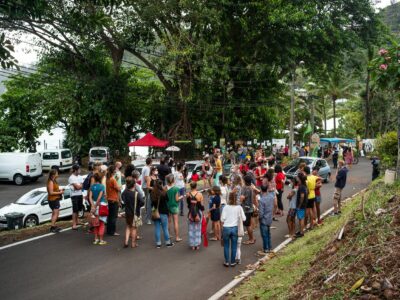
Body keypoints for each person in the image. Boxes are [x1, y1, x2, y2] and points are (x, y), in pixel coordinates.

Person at [221, 192, 246, 267]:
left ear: (229, 198)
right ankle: (233, 262)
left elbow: (222, 219)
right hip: (235, 228)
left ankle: (226, 262)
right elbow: (244, 218)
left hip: (226, 228)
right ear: (237, 198)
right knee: (234, 246)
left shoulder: (225, 207)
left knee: (226, 245)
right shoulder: (239, 207)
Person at [121, 177, 144, 248]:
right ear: (134, 185)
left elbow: (123, 199)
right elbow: (142, 202)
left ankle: (126, 241)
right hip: (135, 213)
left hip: (127, 212)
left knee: (128, 226)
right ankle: (133, 243)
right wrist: (138, 206)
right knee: (134, 228)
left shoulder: (124, 192)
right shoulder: (136, 194)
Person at [151, 179, 174, 248]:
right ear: (161, 184)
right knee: (165, 228)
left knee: (157, 228)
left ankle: (158, 244)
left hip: (156, 212)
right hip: (163, 212)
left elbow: (152, 203)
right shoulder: (164, 192)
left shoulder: (152, 193)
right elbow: (167, 200)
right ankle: (168, 243)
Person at [89, 172, 107, 245]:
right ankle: (101, 240)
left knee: (95, 223)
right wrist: (96, 206)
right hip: (101, 206)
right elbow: (99, 197)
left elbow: (90, 197)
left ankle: (95, 239)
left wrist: (93, 206)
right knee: (102, 223)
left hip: (93, 205)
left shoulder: (92, 187)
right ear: (100, 178)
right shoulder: (102, 186)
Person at [186, 181, 204, 250]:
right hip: (198, 212)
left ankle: (192, 245)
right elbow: (201, 206)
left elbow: (188, 205)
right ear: (196, 186)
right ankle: (197, 244)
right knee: (198, 229)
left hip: (190, 212)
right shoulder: (200, 194)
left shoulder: (188, 194)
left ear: (190, 187)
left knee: (191, 229)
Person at [166, 174, 183, 242]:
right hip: (174, 206)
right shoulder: (176, 188)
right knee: (175, 222)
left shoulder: (165, 187)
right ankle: (177, 237)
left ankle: (168, 235)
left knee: (168, 221)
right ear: (173, 180)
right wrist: (181, 197)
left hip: (167, 206)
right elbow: (176, 199)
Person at [258, 185, 274, 254]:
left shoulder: (261, 200)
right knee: (268, 233)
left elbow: (261, 212)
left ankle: (266, 248)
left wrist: (259, 218)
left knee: (264, 235)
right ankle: (270, 247)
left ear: (261, 190)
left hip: (264, 219)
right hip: (269, 218)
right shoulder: (271, 197)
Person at [106, 165, 121, 236]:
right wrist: (119, 186)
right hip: (114, 199)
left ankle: (109, 230)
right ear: (113, 171)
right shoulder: (113, 179)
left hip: (109, 198)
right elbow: (118, 189)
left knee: (110, 216)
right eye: (115, 170)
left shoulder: (108, 179)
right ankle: (113, 231)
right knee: (114, 216)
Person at [241, 175, 256, 245]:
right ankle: (252, 238)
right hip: (249, 208)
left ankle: (251, 239)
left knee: (248, 225)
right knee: (248, 224)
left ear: (245, 181)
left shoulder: (247, 189)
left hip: (247, 208)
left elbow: (243, 198)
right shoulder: (250, 187)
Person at [69, 164, 83, 230]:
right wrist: (79, 186)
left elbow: (81, 186)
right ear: (75, 170)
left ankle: (77, 221)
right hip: (74, 195)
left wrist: (79, 186)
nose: (80, 170)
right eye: (79, 169)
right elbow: (77, 187)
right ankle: (74, 224)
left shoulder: (80, 177)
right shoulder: (71, 178)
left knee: (79, 208)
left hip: (80, 194)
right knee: (75, 210)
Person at [296, 173, 308, 237]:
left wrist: (299, 205)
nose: (296, 178)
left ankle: (302, 232)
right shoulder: (303, 186)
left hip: (301, 205)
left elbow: (302, 197)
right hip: (303, 204)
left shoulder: (302, 187)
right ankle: (300, 231)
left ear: (300, 179)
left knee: (301, 219)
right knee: (300, 218)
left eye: (297, 177)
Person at [141, 158, 153, 225]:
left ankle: (146, 210)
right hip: (146, 186)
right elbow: (146, 177)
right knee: (148, 200)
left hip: (144, 185)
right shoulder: (147, 168)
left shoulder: (144, 167)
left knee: (146, 198)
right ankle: (147, 212)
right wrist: (150, 180)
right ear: (150, 162)